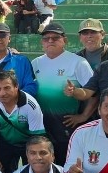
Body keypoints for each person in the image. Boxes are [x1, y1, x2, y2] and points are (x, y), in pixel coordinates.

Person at [31, 23, 95, 163]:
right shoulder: (36, 63)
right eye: (46, 38)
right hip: (41, 121)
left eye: (55, 38)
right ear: (42, 42)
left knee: (66, 162)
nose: (50, 41)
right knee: (42, 162)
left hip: (66, 122)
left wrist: (83, 116)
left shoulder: (78, 62)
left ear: (64, 40)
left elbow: (94, 93)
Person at [0, 71, 46, 173]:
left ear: (16, 87)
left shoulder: (31, 105)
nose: (2, 93)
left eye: (7, 88)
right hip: (4, 142)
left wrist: (33, 160)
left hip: (28, 142)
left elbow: (36, 138)